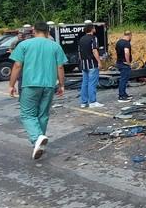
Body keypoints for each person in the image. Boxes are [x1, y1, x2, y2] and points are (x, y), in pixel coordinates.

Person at [8, 21, 67, 160]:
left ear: (34, 30)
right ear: (48, 31)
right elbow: (60, 67)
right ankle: (39, 142)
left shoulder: (24, 45)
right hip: (49, 85)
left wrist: (11, 84)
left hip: (30, 84)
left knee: (27, 114)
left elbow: (17, 65)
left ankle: (37, 138)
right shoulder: (55, 46)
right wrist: (62, 85)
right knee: (43, 114)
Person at [78, 24, 103, 108]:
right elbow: (94, 50)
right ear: (92, 29)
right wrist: (99, 62)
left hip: (84, 64)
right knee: (92, 83)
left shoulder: (81, 39)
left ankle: (84, 102)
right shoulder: (93, 38)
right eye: (94, 28)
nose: (95, 29)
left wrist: (81, 62)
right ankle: (93, 101)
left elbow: (79, 53)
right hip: (92, 64)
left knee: (84, 83)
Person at [115, 30, 134, 103]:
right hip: (124, 64)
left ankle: (124, 94)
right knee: (123, 80)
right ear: (129, 35)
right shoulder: (126, 43)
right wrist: (128, 63)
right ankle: (121, 96)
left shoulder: (119, 42)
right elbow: (126, 52)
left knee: (123, 79)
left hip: (119, 62)